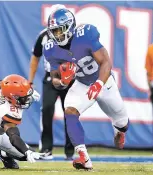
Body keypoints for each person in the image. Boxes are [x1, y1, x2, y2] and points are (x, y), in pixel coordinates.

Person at [44, 9, 129, 170]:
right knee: (69, 110)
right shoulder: (50, 48)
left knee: (123, 123)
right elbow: (53, 78)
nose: (57, 35)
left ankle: (120, 131)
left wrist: (98, 84)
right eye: (53, 31)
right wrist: (62, 81)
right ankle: (84, 157)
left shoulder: (86, 35)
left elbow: (105, 62)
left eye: (59, 30)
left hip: (103, 82)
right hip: (82, 83)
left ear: (69, 27)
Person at [29, 4, 74, 159]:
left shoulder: (73, 36)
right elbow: (35, 57)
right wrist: (30, 80)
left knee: (71, 112)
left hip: (70, 78)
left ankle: (71, 150)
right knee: (47, 110)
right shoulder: (43, 36)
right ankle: (46, 148)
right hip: (50, 78)